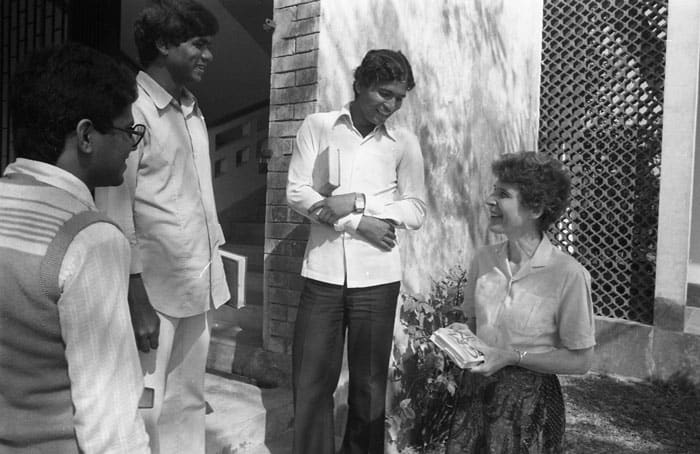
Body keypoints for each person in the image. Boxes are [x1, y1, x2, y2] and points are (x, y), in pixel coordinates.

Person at [0, 43, 149, 453]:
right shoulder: (89, 240)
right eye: (127, 132)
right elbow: (110, 426)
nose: (131, 147)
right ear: (86, 135)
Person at [94, 1, 230, 453]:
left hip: (197, 279)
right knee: (144, 407)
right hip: (152, 290)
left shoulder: (192, 109)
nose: (208, 56)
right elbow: (115, 204)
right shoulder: (131, 109)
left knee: (187, 401)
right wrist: (134, 294)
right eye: (199, 44)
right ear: (164, 44)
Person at [286, 49, 427, 454]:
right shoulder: (318, 126)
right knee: (311, 380)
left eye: (399, 98)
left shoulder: (404, 143)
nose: (391, 105)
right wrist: (354, 222)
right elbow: (297, 191)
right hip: (323, 274)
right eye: (384, 94)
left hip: (377, 278)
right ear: (361, 84)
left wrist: (360, 203)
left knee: (368, 385)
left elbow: (415, 209)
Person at [445, 152, 596, 453]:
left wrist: (511, 356)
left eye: (503, 195)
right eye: (493, 191)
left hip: (530, 404)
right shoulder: (484, 259)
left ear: (536, 208)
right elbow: (473, 326)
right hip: (476, 394)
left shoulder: (568, 274)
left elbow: (580, 361)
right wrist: (460, 338)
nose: (490, 201)